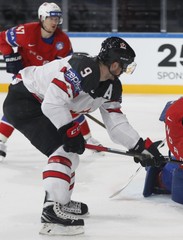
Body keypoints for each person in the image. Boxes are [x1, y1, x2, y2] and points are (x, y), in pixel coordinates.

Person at [2, 36, 165, 235]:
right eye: (124, 65)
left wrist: (140, 146)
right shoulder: (81, 67)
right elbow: (52, 103)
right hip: (25, 100)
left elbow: (115, 122)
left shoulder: (111, 85)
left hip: (42, 105)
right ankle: (51, 215)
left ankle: (61, 201)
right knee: (64, 151)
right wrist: (70, 131)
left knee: (70, 155)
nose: (124, 70)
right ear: (114, 64)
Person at [0, 2, 98, 161]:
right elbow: (2, 38)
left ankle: (88, 138)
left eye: (57, 19)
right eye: (50, 18)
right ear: (41, 18)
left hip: (48, 80)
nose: (54, 22)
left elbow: (69, 65)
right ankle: (1, 142)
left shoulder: (63, 40)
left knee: (67, 105)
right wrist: (9, 55)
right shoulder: (26, 31)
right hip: (26, 78)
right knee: (18, 107)